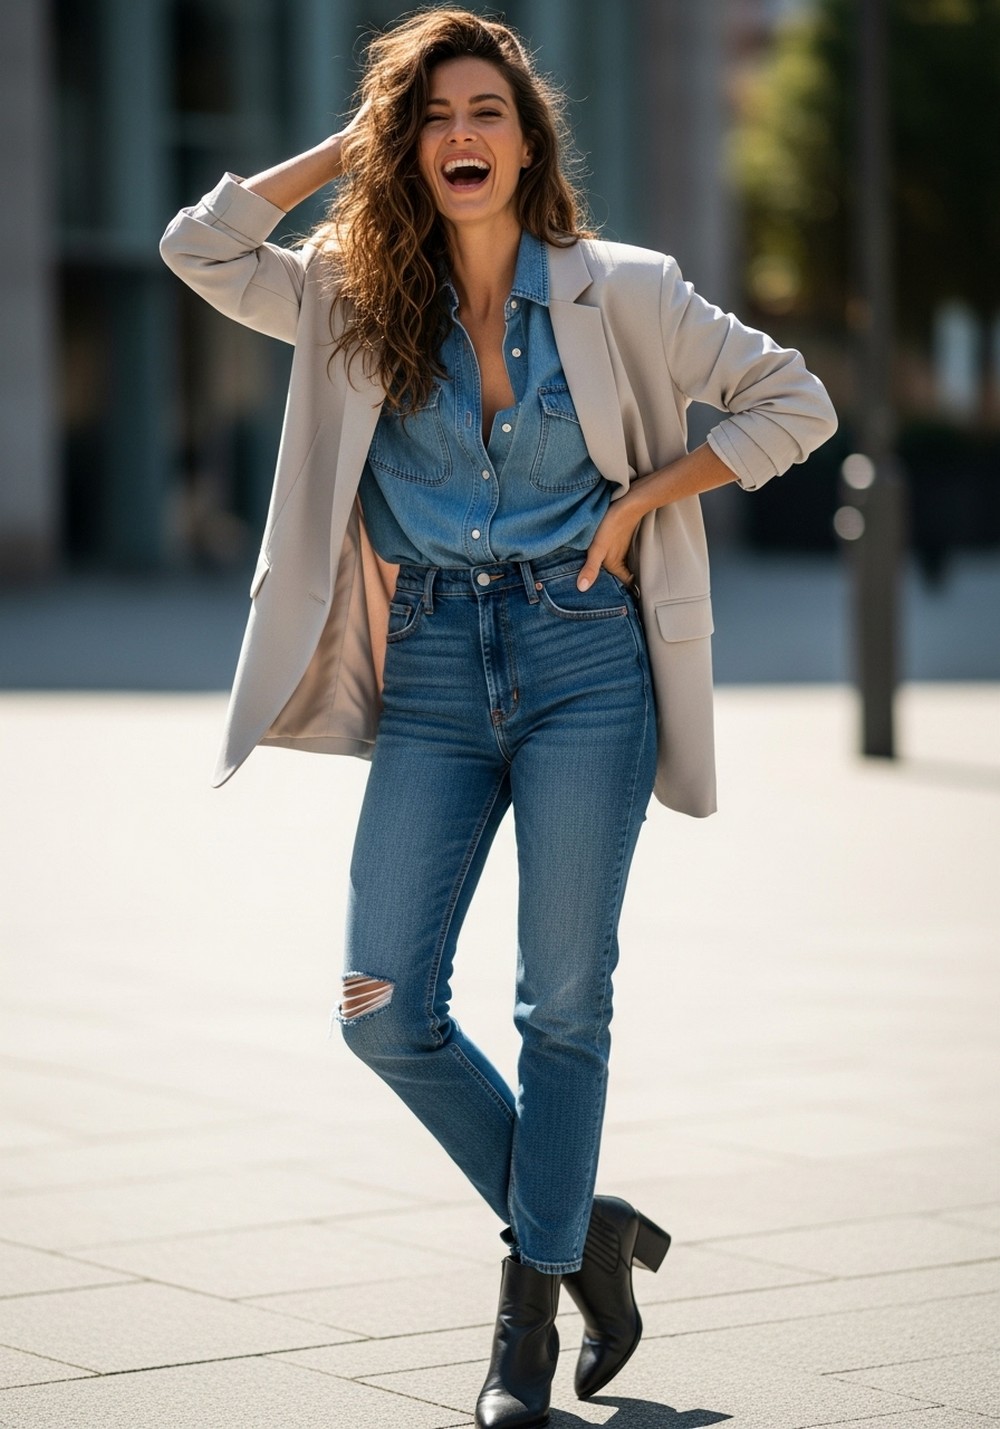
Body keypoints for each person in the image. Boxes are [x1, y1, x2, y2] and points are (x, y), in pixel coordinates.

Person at [160, 10, 837, 1426]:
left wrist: (652, 495)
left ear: (532, 143)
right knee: (379, 1004)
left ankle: (523, 1327)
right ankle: (582, 1226)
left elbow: (797, 399)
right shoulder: (351, 291)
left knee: (564, 1005)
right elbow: (200, 251)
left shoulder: (624, 289)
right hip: (433, 674)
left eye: (488, 113)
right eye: (434, 118)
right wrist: (342, 150)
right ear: (406, 150)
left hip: (589, 659)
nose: (461, 138)